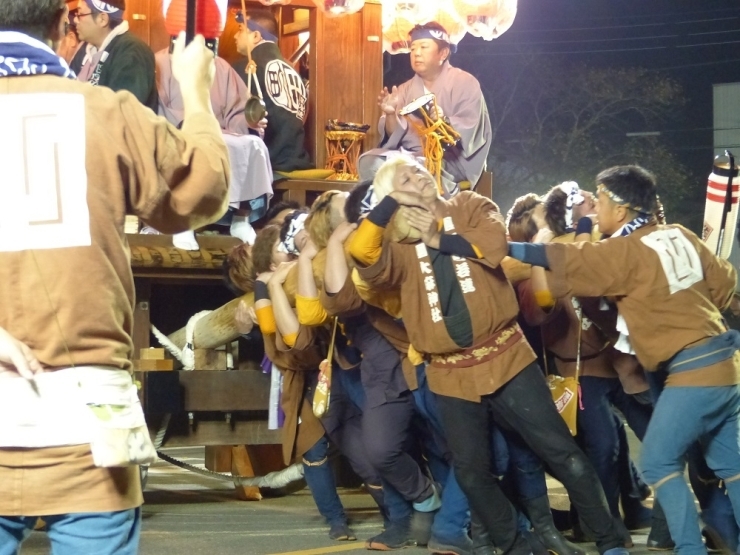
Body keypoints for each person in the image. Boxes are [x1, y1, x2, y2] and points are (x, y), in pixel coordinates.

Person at [0, 0, 230, 550]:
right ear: (64, 26)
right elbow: (202, 190)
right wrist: (195, 95)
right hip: (86, 413)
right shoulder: (106, 111)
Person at [348, 156, 627, 555]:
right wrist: (391, 204)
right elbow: (361, 253)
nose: (417, 176)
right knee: (473, 472)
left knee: (562, 453)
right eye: (404, 176)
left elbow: (494, 247)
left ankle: (610, 542)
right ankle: (515, 544)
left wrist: (438, 239)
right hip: (449, 372)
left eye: (418, 170)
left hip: (506, 355)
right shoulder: (395, 245)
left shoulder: (470, 206)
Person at [508, 165, 740, 555]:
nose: (596, 211)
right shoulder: (680, 234)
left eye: (599, 201)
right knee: (730, 466)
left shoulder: (623, 251)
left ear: (621, 207)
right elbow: (723, 285)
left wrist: (496, 248)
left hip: (690, 372)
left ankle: (689, 548)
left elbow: (559, 263)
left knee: (658, 462)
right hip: (725, 365)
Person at [155, 41, 274, 245]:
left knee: (254, 145)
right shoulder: (158, 62)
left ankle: (241, 218)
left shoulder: (219, 65)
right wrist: (193, 122)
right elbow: (158, 109)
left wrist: (248, 120)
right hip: (179, 130)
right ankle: (183, 221)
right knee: (193, 144)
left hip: (221, 131)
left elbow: (237, 109)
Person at [359, 22, 492, 195]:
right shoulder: (404, 89)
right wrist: (390, 114)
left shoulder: (465, 83)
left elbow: (470, 128)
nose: (417, 53)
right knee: (369, 162)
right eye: (413, 48)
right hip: (411, 156)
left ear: (443, 53)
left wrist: (443, 121)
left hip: (451, 161)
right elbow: (394, 136)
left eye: (423, 46)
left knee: (408, 172)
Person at [233, 9, 312, 173]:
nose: (235, 36)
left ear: (256, 36)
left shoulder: (246, 68)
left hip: (268, 160)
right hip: (297, 157)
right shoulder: (294, 72)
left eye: (240, 30)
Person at [72, 0, 158, 112]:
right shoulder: (86, 50)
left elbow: (122, 112)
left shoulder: (133, 52)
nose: (75, 19)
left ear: (102, 19)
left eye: (80, 14)